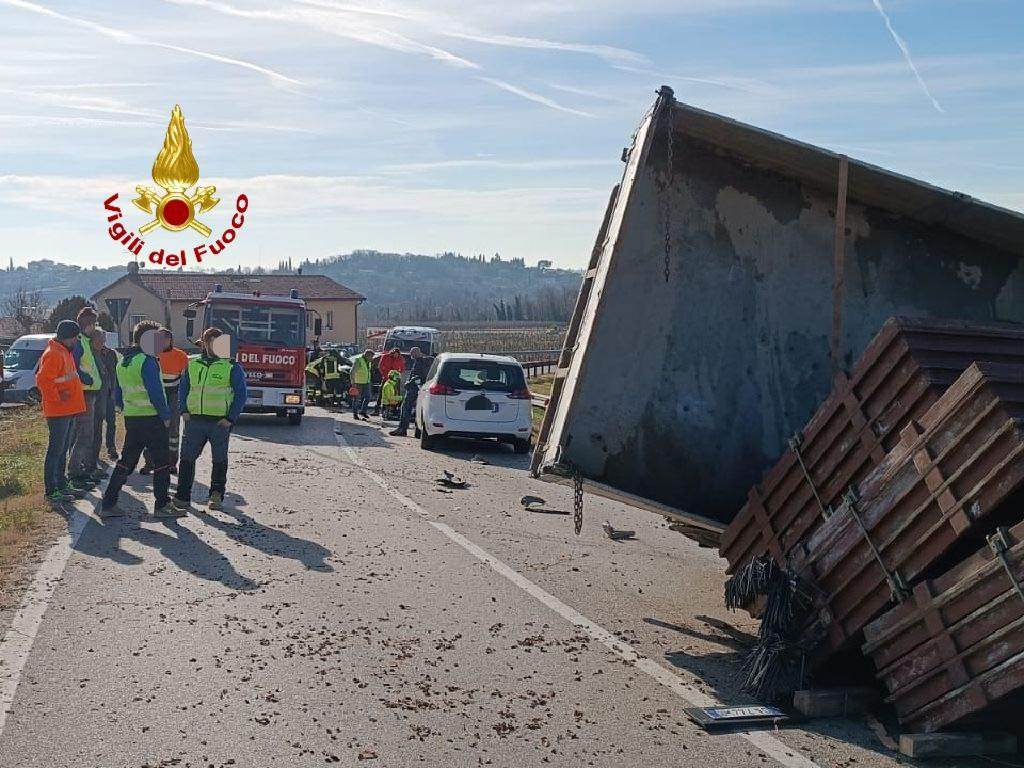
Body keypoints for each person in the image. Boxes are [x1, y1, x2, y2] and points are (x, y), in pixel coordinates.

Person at [101, 321, 175, 518]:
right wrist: (166, 415)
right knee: (161, 462)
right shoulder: (148, 361)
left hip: (133, 419)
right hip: (152, 418)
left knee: (126, 461)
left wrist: (122, 408)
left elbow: (118, 392)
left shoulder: (123, 362)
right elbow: (155, 393)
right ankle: (162, 505)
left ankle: (108, 504)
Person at [173, 327, 247, 512]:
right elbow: (184, 388)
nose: (212, 345)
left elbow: (241, 395)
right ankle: (182, 497)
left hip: (219, 422)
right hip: (194, 420)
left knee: (219, 459)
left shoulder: (231, 366)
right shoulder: (193, 364)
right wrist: (184, 411)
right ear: (203, 343)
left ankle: (216, 494)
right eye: (209, 341)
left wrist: (230, 418)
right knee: (187, 459)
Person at [37, 320, 88, 504]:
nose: (76, 340)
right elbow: (43, 381)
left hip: (67, 410)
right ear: (68, 337)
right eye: (74, 337)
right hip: (59, 411)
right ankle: (52, 490)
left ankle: (61, 484)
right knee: (56, 450)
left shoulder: (63, 352)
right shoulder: (54, 354)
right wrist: (58, 397)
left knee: (62, 449)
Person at [140, 329, 189, 474]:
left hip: (173, 395)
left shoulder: (180, 356)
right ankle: (149, 463)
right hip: (156, 395)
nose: (163, 342)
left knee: (173, 430)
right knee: (152, 429)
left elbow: (185, 380)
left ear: (171, 340)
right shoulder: (150, 355)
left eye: (166, 339)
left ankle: (171, 463)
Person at [67, 306, 102, 489]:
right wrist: (85, 377)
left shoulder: (86, 341)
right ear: (88, 324)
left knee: (85, 434)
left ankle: (81, 470)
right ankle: (75, 473)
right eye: (94, 323)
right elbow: (73, 365)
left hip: (89, 392)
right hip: (84, 393)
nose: (95, 327)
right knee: (84, 434)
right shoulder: (80, 342)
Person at [86, 328, 114, 475]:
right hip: (92, 398)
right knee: (91, 433)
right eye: (100, 341)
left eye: (103, 341)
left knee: (98, 431)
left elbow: (109, 375)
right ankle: (89, 465)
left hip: (103, 397)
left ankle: (93, 463)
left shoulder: (103, 353)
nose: (102, 343)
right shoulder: (90, 354)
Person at [390, 346, 432, 437]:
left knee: (406, 407)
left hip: (414, 388)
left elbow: (418, 376)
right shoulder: (423, 362)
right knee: (419, 409)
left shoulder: (419, 362)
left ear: (416, 353)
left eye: (412, 353)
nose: (410, 355)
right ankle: (417, 432)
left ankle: (402, 429)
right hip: (421, 389)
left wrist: (408, 383)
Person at [97, 334, 121, 460]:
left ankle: (111, 447)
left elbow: (116, 373)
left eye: (103, 339)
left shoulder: (111, 353)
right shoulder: (93, 353)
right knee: (97, 423)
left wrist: (116, 391)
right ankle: (95, 452)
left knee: (111, 422)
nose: (102, 342)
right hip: (97, 394)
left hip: (110, 393)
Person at [373, 347, 405, 416]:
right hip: (386, 378)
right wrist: (385, 375)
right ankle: (377, 409)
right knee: (382, 393)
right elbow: (380, 366)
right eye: (395, 354)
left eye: (397, 355)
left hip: (396, 380)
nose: (396, 356)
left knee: (396, 393)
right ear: (392, 353)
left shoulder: (400, 358)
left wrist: (398, 375)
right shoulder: (385, 357)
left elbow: (402, 368)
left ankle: (395, 409)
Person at [350, 348, 374, 420]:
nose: (372, 359)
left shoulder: (368, 362)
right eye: (371, 357)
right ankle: (355, 414)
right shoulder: (359, 360)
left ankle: (363, 411)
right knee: (357, 399)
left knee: (368, 397)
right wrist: (353, 382)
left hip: (366, 382)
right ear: (367, 356)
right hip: (358, 383)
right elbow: (352, 371)